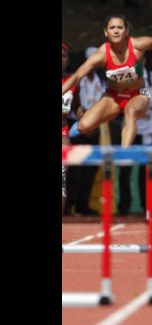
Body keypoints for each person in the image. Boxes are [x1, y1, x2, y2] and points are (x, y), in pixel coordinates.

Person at [61, 14, 152, 152]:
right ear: (106, 32)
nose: (116, 31)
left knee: (130, 112)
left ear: (127, 31)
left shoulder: (138, 45)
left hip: (139, 94)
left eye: (120, 27)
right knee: (84, 126)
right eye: (112, 28)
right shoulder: (101, 54)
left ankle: (123, 155)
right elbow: (77, 76)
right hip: (113, 96)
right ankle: (91, 122)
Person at [118, 55, 152, 215]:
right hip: (129, 128)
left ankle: (148, 205)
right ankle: (124, 206)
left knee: (147, 171)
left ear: (145, 61)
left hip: (147, 131)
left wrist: (140, 98)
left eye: (141, 59)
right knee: (125, 170)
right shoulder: (123, 75)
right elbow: (123, 98)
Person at [65, 46, 104, 216]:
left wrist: (90, 121)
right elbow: (76, 106)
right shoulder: (79, 78)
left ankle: (81, 205)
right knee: (75, 170)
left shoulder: (98, 81)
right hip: (77, 128)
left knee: (88, 168)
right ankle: (70, 205)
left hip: (88, 128)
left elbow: (79, 106)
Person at [62, 43, 79, 214]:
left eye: (63, 56)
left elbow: (77, 107)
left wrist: (82, 113)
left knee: (61, 183)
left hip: (62, 134)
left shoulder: (73, 82)